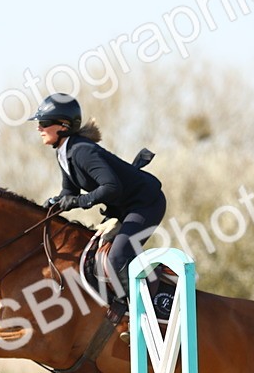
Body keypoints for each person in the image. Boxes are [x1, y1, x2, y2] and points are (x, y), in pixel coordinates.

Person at [30, 93, 167, 303]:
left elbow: (111, 188)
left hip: (146, 205)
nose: (39, 128)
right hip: (125, 208)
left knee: (116, 258)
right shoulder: (63, 152)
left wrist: (79, 203)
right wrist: (53, 204)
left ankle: (148, 308)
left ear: (64, 126)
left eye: (44, 123)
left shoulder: (81, 151)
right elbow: (70, 193)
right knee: (93, 256)